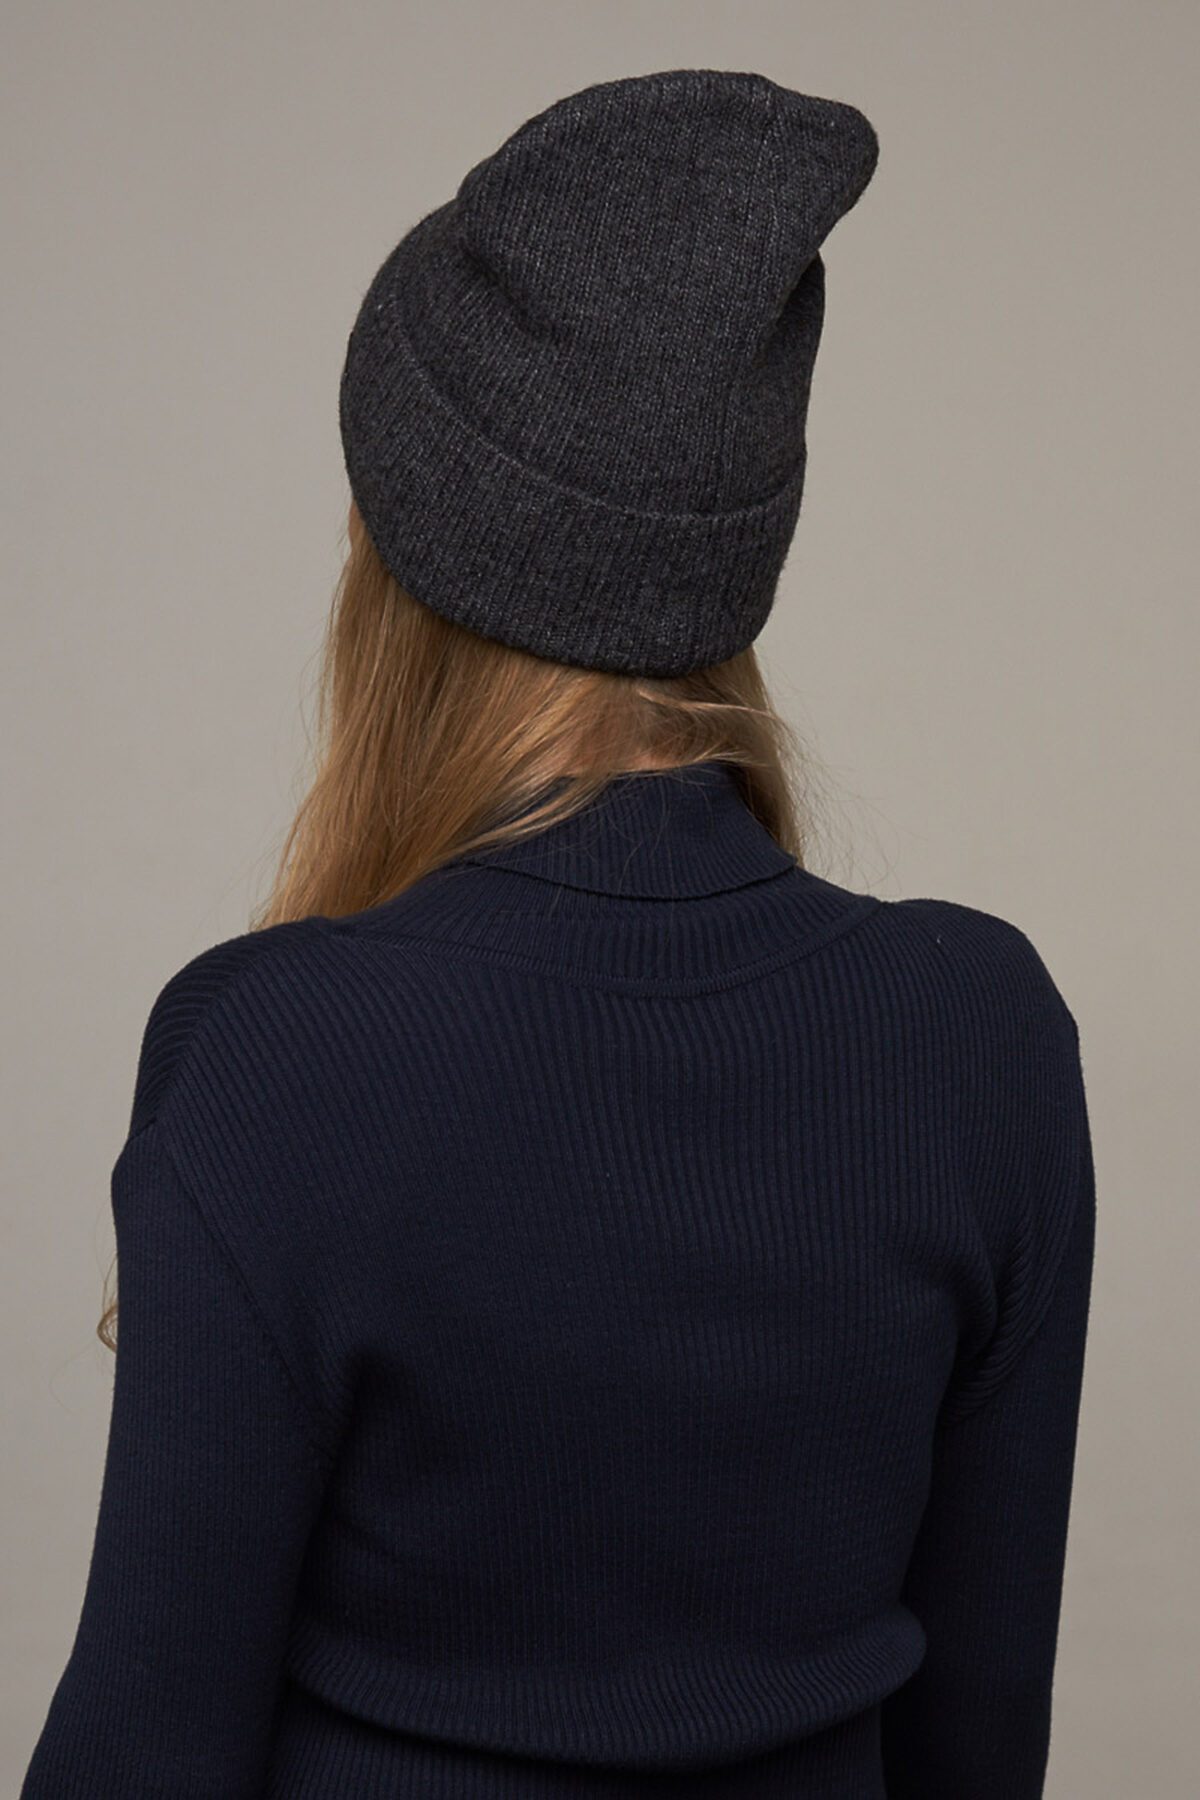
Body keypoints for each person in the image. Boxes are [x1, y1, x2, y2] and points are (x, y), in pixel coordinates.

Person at [21, 68, 1095, 1800]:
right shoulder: (981, 1037)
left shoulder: (277, 1054)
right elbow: (981, 1743)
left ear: (392, 555)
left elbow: (148, 1756)